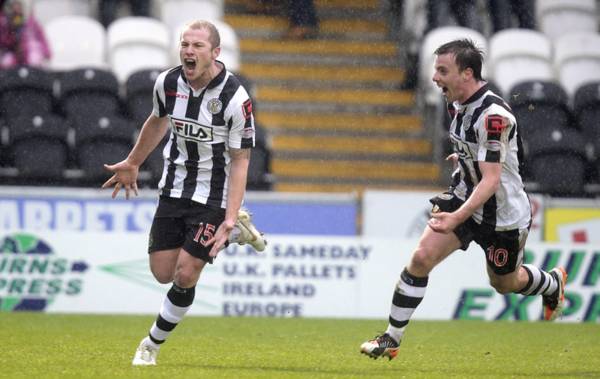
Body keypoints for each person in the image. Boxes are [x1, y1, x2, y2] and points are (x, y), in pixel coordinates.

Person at [359, 39, 568, 361]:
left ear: (467, 74)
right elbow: (481, 155)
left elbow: (492, 179)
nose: (435, 78)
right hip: (466, 197)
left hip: (503, 216)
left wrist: (456, 217)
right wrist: (463, 156)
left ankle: (551, 284)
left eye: (443, 71)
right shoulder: (455, 102)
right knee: (421, 258)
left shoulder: (493, 116)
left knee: (504, 282)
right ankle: (391, 338)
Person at [101, 20, 267, 366]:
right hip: (174, 189)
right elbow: (157, 120)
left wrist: (230, 213)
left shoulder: (235, 98)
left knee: (186, 273)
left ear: (216, 53)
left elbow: (240, 160)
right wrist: (133, 161)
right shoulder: (168, 82)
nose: (188, 52)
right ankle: (237, 233)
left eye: (197, 46)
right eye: (184, 44)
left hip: (214, 197)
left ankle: (151, 343)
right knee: (163, 272)